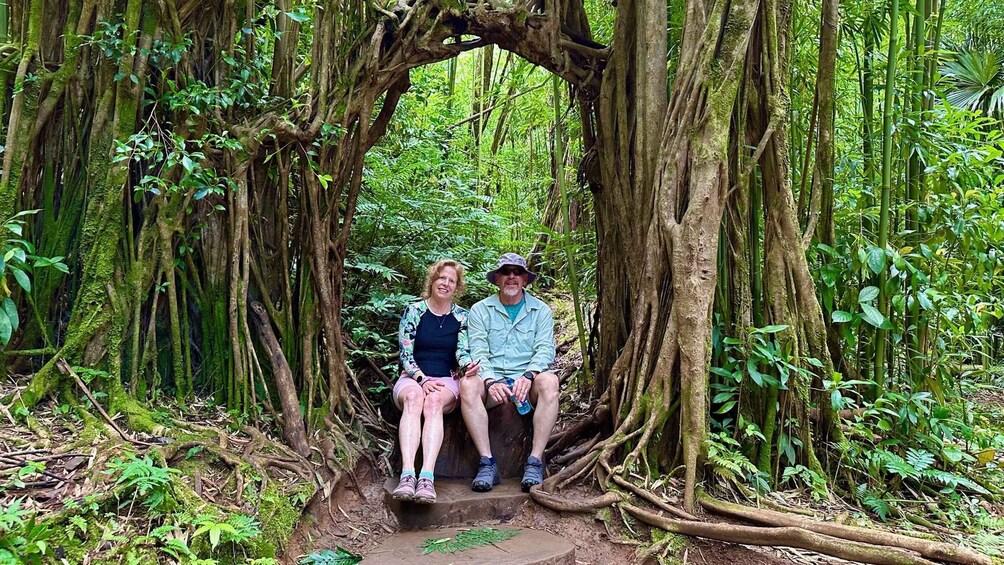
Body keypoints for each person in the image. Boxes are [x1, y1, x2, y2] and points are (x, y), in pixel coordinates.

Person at [461, 253, 558, 493]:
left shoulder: (540, 311)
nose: (511, 277)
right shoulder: (480, 310)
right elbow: (479, 349)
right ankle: (487, 463)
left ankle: (534, 461)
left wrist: (529, 375)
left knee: (550, 382)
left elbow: (545, 349)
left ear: (525, 279)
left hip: (527, 381)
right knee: (468, 384)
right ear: (497, 279)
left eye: (517, 272)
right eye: (506, 272)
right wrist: (491, 380)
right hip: (493, 381)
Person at [392, 259, 479, 503]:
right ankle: (407, 475)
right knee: (414, 397)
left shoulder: (462, 317)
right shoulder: (414, 312)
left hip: (446, 380)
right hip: (412, 376)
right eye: (442, 278)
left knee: (433, 402)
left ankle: (426, 478)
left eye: (452, 280)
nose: (446, 283)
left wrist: (467, 365)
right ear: (433, 280)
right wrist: (421, 379)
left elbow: (462, 351)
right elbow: (406, 354)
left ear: (457, 287)